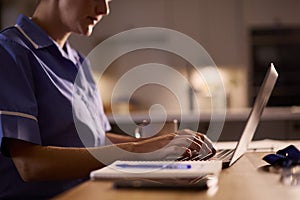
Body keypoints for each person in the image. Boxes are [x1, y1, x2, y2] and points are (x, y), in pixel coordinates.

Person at [0, 0, 215, 199]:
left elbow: (97, 139)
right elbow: (29, 166)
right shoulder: (10, 50)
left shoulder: (77, 61)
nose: (104, 9)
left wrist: (162, 144)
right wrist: (142, 150)